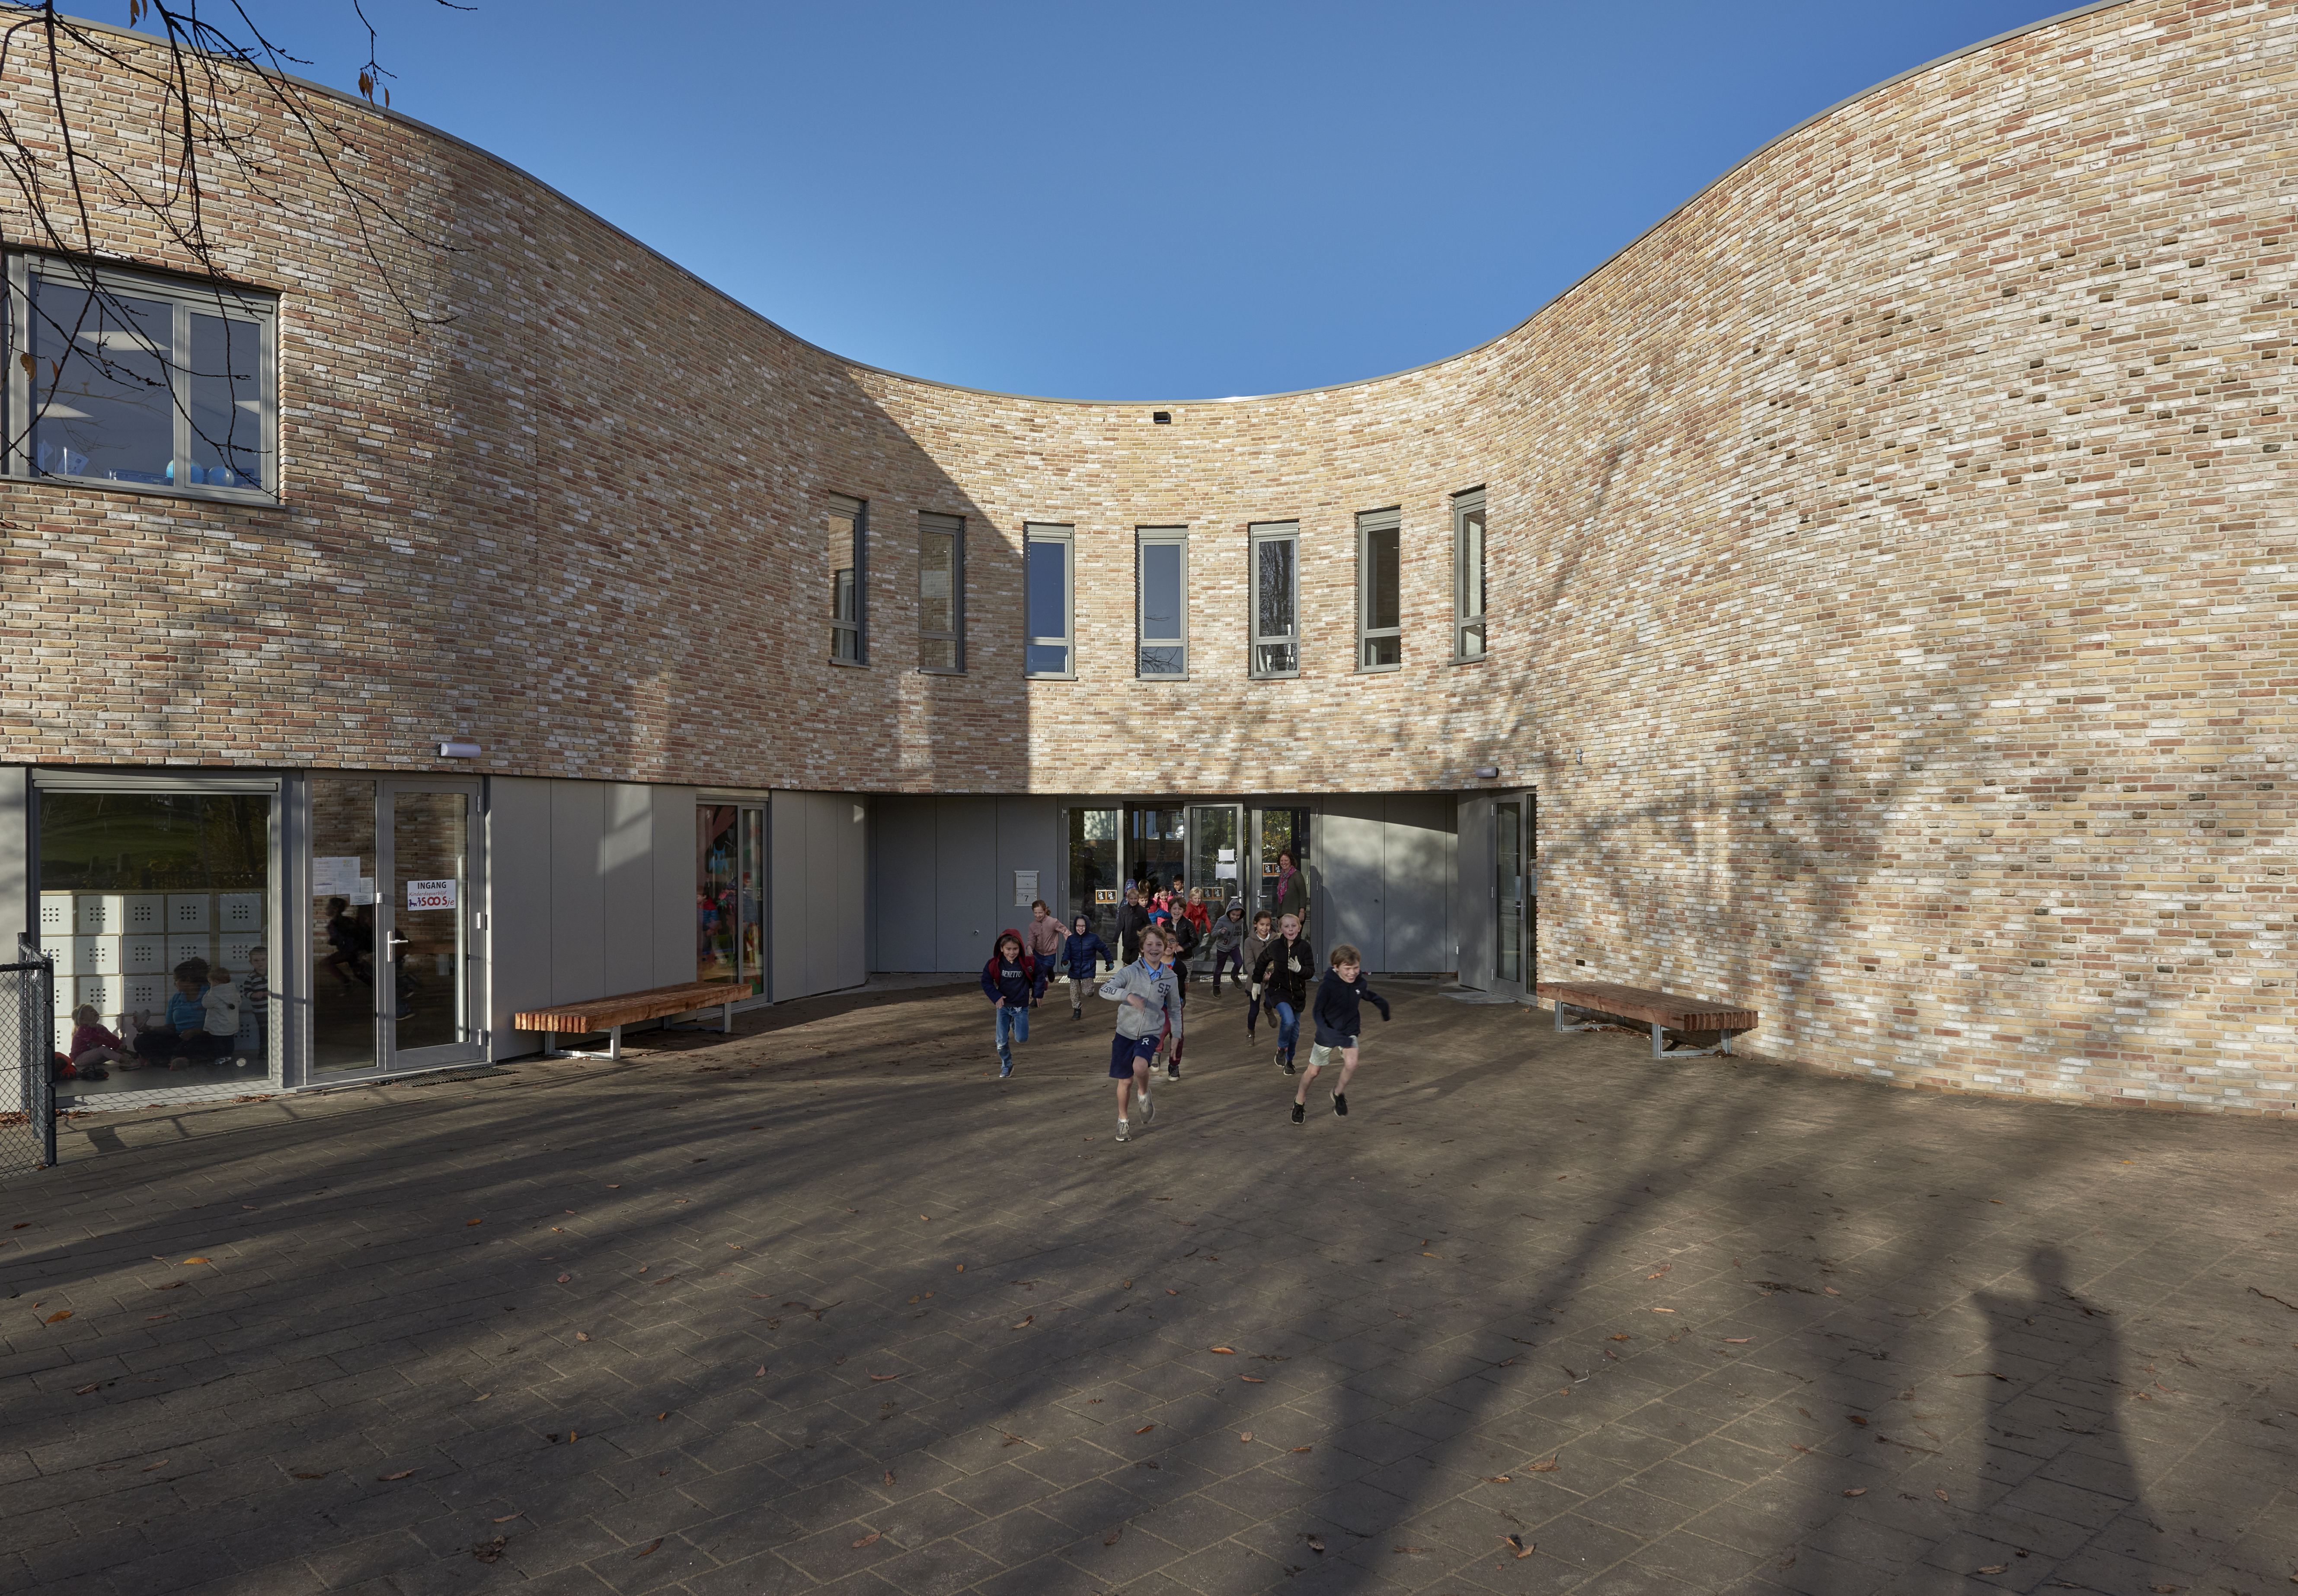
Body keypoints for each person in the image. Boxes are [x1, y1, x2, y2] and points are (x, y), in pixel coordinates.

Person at [1098, 925, 1181, 1143]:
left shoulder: (1171, 978)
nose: (1154, 948)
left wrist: (1178, 1035)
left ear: (1165, 948)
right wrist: (1127, 996)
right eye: (1149, 944)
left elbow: (1174, 1009)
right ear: (1142, 947)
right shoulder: (1129, 972)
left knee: (1140, 1066)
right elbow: (1105, 989)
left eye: (1159, 944)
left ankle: (1144, 1094)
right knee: (1125, 1082)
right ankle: (1123, 1120)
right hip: (1124, 1033)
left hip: (1150, 1032)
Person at [1294, 943, 1389, 1124]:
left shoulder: (1359, 982)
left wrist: (1382, 1004)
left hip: (1349, 1031)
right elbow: (1317, 1014)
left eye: (1356, 968)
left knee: (1352, 1063)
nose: (1353, 973)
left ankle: (1338, 1094)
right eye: (1348, 969)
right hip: (1327, 1033)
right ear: (1336, 968)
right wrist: (1329, 1034)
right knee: (1313, 1072)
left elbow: (1364, 993)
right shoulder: (1328, 987)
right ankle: (1299, 1101)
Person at [134, 958, 230, 1069]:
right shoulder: (176, 999)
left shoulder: (210, 995)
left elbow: (220, 1026)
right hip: (179, 1038)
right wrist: (150, 1029)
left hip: (202, 1038)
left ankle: (168, 1060)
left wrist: (195, 1032)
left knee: (197, 1044)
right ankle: (178, 1059)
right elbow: (170, 1029)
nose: (175, 984)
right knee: (140, 1041)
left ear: (188, 980)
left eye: (176, 980)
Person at [1251, 912, 1313, 1073]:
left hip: (1298, 994)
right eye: (1286, 926)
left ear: (1299, 928)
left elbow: (1311, 972)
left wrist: (1301, 970)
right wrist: (1257, 982)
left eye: (1294, 926)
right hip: (1279, 990)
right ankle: (1281, 1048)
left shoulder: (1305, 947)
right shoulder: (1275, 946)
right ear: (1280, 930)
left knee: (1295, 1032)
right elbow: (1261, 962)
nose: (1290, 929)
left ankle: (1289, 1061)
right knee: (1289, 1020)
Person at [980, 928, 1044, 1078]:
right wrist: (996, 997)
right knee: (1001, 1041)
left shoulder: (1028, 962)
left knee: (1022, 1039)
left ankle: (1014, 1024)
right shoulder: (994, 964)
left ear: (1020, 948)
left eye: (1015, 949)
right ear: (1001, 949)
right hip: (1003, 1008)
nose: (1012, 952)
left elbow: (1039, 975)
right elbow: (986, 981)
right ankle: (1007, 1065)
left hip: (1020, 1007)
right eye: (1008, 949)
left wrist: (1038, 993)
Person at [1061, 912, 1113, 1019]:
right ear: (1075, 926)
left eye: (1083, 926)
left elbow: (1104, 949)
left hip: (1088, 969)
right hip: (1074, 969)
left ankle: (1090, 991)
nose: (1081, 928)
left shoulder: (1093, 938)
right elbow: (1067, 952)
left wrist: (1110, 961)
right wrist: (1065, 961)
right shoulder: (1071, 939)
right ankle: (1077, 1010)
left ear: (1088, 926)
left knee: (1088, 991)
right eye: (1078, 926)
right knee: (1074, 991)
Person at [66, 1004, 129, 1078]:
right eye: (91, 1011)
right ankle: (125, 1060)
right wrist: (115, 1047)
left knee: (113, 1052)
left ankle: (130, 1058)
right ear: (82, 1019)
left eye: (94, 1009)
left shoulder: (100, 1027)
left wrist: (119, 1045)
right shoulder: (83, 1030)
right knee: (103, 1049)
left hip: (94, 1059)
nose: (95, 1011)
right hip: (79, 1058)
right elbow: (100, 1040)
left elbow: (110, 1037)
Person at [1241, 910, 1274, 1038]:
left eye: (1268, 925)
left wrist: (1272, 973)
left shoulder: (1276, 939)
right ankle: (1251, 1033)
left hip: (1272, 977)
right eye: (1262, 925)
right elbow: (1249, 964)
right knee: (1254, 1011)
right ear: (1255, 924)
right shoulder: (1249, 941)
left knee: (1271, 1002)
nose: (1265, 928)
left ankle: (1268, 1009)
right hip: (1256, 979)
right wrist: (1261, 976)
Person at [240, 944, 271, 1065]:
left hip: (275, 1008)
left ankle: (278, 1050)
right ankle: (263, 1052)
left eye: (263, 960)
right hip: (260, 1011)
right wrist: (254, 995)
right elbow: (246, 992)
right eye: (256, 961)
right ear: (251, 962)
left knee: (278, 1030)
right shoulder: (251, 977)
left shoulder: (273, 974)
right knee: (264, 1032)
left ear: (269, 959)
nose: (260, 963)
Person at [1207, 903, 1246, 996]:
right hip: (1222, 948)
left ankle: (1234, 975)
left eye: (1238, 915)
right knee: (1220, 968)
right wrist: (1220, 932)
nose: (1235, 917)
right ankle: (1216, 986)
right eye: (1233, 915)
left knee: (1239, 962)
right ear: (1229, 913)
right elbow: (1213, 934)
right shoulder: (1222, 920)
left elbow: (1240, 931)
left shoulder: (1240, 921)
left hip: (1234, 947)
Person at [1025, 898, 1065, 976]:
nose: (1038, 915)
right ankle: (1044, 979)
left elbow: (1065, 931)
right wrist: (1029, 946)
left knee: (1043, 972)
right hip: (1038, 953)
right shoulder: (1032, 925)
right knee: (1037, 973)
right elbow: (1031, 939)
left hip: (1050, 954)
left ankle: (1049, 971)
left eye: (1040, 913)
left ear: (1045, 911)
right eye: (1036, 913)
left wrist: (1073, 941)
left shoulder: (1053, 922)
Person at [1272, 849, 1309, 932]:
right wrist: (1279, 916)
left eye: (1286, 860)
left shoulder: (1297, 875)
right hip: (1284, 916)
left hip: (1295, 915)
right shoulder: (1281, 877)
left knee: (1295, 939)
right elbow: (1280, 898)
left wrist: (1302, 911)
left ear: (1291, 861)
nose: (1284, 863)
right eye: (1282, 861)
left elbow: (1303, 894)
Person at [1116, 887, 1150, 967]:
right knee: (1126, 958)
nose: (1133, 900)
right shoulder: (1124, 910)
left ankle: (1132, 972)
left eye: (1135, 898)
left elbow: (1148, 924)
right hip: (1127, 940)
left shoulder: (1142, 911)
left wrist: (1146, 936)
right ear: (1128, 899)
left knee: (1134, 959)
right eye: (1132, 898)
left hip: (1137, 940)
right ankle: (1127, 965)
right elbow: (1121, 924)